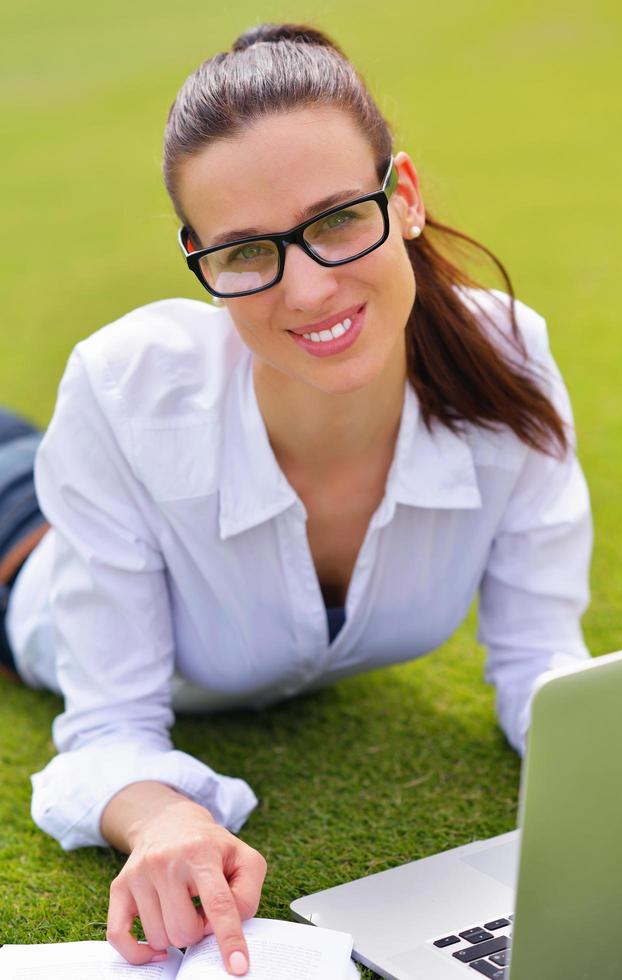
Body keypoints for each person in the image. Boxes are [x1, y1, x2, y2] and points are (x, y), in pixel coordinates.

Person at [1, 22, 592, 978]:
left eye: (335, 220)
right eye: (245, 252)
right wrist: (166, 817)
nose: (310, 289)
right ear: (199, 257)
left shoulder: (507, 362)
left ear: (400, 197)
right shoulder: (123, 388)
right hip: (17, 543)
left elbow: (543, 665)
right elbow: (108, 730)